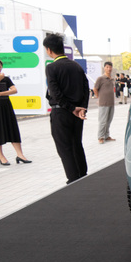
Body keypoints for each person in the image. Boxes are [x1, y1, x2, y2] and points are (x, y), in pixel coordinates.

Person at [43, 33, 89, 184]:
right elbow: (85, 89)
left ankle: (73, 179)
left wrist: (71, 108)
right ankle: (82, 174)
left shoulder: (51, 68)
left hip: (61, 112)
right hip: (77, 113)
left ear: (49, 50)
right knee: (76, 143)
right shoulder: (76, 66)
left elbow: (55, 94)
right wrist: (82, 108)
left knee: (65, 147)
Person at [0, 58, 31, 165]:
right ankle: (1, 157)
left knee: (13, 129)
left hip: (7, 107)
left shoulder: (6, 79)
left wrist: (0, 94)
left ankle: (20, 155)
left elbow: (14, 90)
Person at [93, 62, 116, 144]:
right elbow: (95, 89)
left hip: (111, 103)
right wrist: (99, 98)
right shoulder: (100, 78)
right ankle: (101, 137)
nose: (109, 69)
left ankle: (106, 136)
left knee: (109, 121)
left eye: (110, 67)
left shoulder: (112, 79)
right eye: (107, 67)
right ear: (104, 68)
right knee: (102, 121)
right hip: (103, 103)